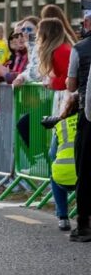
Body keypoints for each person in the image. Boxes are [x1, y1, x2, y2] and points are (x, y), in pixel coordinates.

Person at [69, 8, 91, 241]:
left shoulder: (80, 48)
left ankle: (84, 224)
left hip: (88, 113)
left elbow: (71, 85)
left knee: (85, 169)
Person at [43, 94, 78, 231]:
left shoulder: (60, 125)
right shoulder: (86, 123)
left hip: (62, 177)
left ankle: (63, 218)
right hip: (82, 176)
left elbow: (52, 154)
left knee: (54, 174)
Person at [12, 16, 41, 86]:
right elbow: (30, 68)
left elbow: (36, 73)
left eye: (29, 29)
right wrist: (21, 77)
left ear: (38, 30)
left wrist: (22, 77)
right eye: (23, 29)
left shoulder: (40, 47)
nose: (25, 32)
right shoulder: (31, 46)